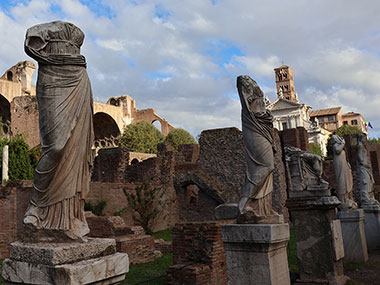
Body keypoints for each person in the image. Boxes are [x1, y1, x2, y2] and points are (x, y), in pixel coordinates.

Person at [23, 21, 94, 240]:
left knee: (77, 148)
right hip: (52, 76)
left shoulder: (76, 34)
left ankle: (70, 219)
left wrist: (74, 60)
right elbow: (30, 42)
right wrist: (57, 59)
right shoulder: (45, 29)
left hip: (79, 79)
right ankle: (36, 207)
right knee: (56, 146)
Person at [236, 75, 278, 223]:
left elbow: (261, 111)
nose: (248, 80)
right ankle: (244, 202)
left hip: (264, 130)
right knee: (266, 166)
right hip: (255, 129)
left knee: (268, 169)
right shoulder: (246, 95)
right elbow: (255, 111)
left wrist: (267, 116)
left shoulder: (256, 93)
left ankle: (263, 209)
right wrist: (265, 116)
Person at [331, 135, 357, 210]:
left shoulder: (341, 147)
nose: (332, 141)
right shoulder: (336, 146)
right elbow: (337, 150)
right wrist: (343, 143)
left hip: (344, 165)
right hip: (339, 165)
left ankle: (348, 198)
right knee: (341, 181)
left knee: (347, 180)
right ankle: (343, 200)